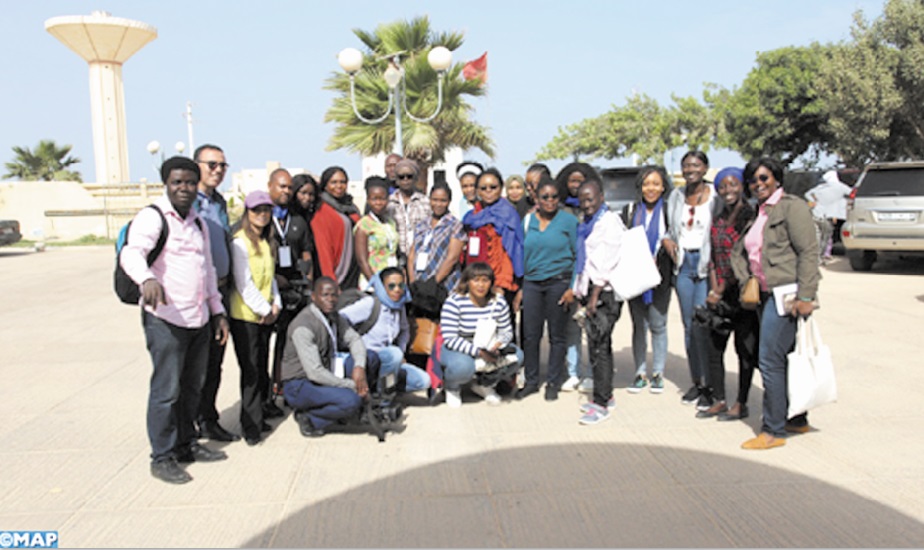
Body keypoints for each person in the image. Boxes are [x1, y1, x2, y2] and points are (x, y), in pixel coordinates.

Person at [120, 156, 229, 484]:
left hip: (198, 319)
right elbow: (132, 252)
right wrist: (146, 279)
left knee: (191, 387)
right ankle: (162, 456)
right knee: (166, 391)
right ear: (166, 184)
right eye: (176, 182)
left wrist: (218, 311)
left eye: (189, 182)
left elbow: (207, 270)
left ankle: (186, 444)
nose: (183, 188)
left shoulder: (198, 224)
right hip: (165, 319)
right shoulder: (153, 217)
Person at [731, 157, 820, 450]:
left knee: (769, 359)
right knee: (785, 357)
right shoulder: (760, 212)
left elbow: (808, 252)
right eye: (753, 181)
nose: (758, 184)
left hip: (787, 295)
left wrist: (806, 296)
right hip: (765, 294)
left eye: (764, 178)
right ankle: (796, 417)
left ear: (777, 179)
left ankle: (773, 430)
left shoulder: (791, 207)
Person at [279, 277, 381, 438]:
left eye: (334, 295)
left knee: (371, 358)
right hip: (300, 384)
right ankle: (311, 418)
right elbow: (315, 372)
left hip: (327, 369)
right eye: (325, 295)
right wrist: (352, 385)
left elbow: (354, 339)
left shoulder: (334, 316)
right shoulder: (304, 327)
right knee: (351, 401)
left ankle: (348, 406)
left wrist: (359, 367)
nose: (330, 300)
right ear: (314, 297)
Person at [662, 150, 723, 408]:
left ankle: (711, 385)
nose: (690, 170)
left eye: (696, 165)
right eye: (686, 166)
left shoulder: (716, 197)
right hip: (683, 266)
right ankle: (697, 381)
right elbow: (669, 229)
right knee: (689, 326)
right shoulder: (675, 196)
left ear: (705, 168)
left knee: (703, 324)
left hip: (706, 265)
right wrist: (667, 241)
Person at [699, 167, 759, 421]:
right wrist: (714, 288)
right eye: (723, 186)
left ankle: (741, 402)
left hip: (742, 292)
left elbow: (743, 258)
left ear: (742, 186)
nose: (728, 190)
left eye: (733, 184)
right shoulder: (719, 215)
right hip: (719, 290)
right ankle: (719, 399)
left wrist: (722, 288)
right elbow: (714, 255)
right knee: (714, 348)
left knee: (744, 350)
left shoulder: (750, 215)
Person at [515, 175, 578, 401]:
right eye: (545, 197)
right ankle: (532, 381)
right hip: (532, 283)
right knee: (531, 335)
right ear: (537, 198)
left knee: (556, 336)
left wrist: (572, 288)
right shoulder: (527, 221)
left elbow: (578, 256)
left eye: (554, 197)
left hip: (558, 282)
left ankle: (553, 381)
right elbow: (522, 254)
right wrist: (522, 286)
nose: (550, 200)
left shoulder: (569, 222)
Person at [191, 144, 238, 442]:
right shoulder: (186, 202)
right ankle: (188, 427)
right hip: (195, 296)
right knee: (192, 366)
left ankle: (208, 419)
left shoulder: (219, 202)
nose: (218, 170)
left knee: (214, 363)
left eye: (222, 165)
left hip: (220, 292)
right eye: (212, 165)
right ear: (196, 165)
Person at [228, 190, 282, 445]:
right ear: (247, 213)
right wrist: (264, 309)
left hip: (265, 315)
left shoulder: (266, 241)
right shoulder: (240, 242)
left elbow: (270, 279)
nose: (262, 215)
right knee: (250, 372)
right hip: (246, 317)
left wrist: (276, 304)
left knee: (261, 368)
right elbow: (244, 283)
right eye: (256, 210)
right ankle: (250, 426)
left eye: (266, 210)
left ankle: (259, 416)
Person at [572, 179, 627, 425]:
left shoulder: (610, 222)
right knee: (596, 345)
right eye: (582, 200)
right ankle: (607, 395)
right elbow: (586, 260)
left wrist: (594, 296)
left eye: (591, 199)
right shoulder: (587, 223)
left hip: (603, 293)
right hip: (590, 290)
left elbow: (608, 261)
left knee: (600, 346)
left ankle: (601, 403)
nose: (586, 205)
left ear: (601, 197)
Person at [438, 262, 524, 408]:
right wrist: (479, 352)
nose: (481, 285)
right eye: (475, 280)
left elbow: (506, 331)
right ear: (467, 281)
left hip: (489, 344)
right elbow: (450, 338)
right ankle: (452, 387)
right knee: (464, 366)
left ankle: (484, 384)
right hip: (459, 346)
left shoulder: (498, 302)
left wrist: (499, 345)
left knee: (518, 356)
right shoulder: (454, 302)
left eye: (485, 280)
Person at [621, 166, 674, 395]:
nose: (650, 188)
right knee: (638, 326)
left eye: (655, 183)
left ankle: (658, 372)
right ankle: (640, 372)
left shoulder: (669, 211)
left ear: (663, 187)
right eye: (646, 184)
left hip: (660, 276)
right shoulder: (630, 210)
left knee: (658, 325)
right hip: (635, 275)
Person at [266, 168, 314, 419]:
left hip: (297, 290)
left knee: (289, 342)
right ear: (270, 186)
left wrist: (308, 280)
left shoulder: (297, 220)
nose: (285, 192)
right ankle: (266, 395)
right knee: (263, 346)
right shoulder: (262, 216)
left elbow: (306, 251)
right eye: (281, 187)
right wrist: (274, 278)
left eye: (288, 188)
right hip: (269, 292)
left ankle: (283, 386)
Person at [339, 267, 431, 392]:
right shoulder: (370, 304)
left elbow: (404, 330)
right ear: (382, 286)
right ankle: (383, 398)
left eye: (401, 285)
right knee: (394, 354)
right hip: (368, 360)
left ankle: (379, 388)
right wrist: (352, 340)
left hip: (389, 361)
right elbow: (340, 317)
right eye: (391, 286)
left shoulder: (400, 306)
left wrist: (401, 351)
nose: (397, 290)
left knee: (423, 381)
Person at [462, 167, 525, 349]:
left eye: (493, 187)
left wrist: (500, 285)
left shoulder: (507, 214)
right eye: (483, 188)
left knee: (502, 333)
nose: (488, 192)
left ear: (500, 188)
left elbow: (509, 252)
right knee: (478, 333)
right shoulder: (473, 215)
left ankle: (509, 374)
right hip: (476, 281)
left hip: (499, 282)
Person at [555, 162, 600, 394]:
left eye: (580, 180)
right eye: (572, 181)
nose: (576, 185)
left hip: (594, 275)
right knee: (572, 328)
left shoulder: (597, 210)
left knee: (592, 326)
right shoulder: (560, 210)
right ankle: (573, 372)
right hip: (570, 275)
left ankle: (592, 374)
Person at [407, 183, 467, 295]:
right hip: (419, 283)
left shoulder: (455, 225)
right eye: (435, 200)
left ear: (449, 201)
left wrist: (433, 283)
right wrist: (412, 282)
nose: (438, 204)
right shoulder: (422, 224)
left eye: (443, 200)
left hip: (444, 285)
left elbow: (452, 258)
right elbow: (412, 255)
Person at [311, 166, 361, 290]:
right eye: (333, 182)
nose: (339, 186)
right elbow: (324, 249)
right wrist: (331, 281)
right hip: (339, 274)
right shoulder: (322, 210)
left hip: (355, 272)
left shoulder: (350, 206)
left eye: (342, 182)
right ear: (325, 185)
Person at [355, 176, 399, 286]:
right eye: (374, 199)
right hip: (373, 282)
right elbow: (362, 260)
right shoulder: (364, 225)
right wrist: (376, 284)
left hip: (392, 281)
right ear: (368, 200)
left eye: (382, 198)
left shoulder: (390, 222)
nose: (379, 203)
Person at [387, 159, 430, 263]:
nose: (405, 179)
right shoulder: (388, 204)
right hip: (395, 259)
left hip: (420, 258)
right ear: (396, 180)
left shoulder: (426, 202)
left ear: (415, 179)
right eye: (401, 177)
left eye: (409, 176)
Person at [805, 170, 852, 265]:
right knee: (826, 238)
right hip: (828, 216)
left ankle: (816, 258)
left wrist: (813, 201)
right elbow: (853, 193)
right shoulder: (841, 187)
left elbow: (807, 194)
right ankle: (821, 257)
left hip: (816, 214)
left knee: (817, 237)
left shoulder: (820, 187)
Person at [289, 173, 321, 280]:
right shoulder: (288, 217)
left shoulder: (314, 216)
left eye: (311, 194)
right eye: (303, 193)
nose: (307, 198)